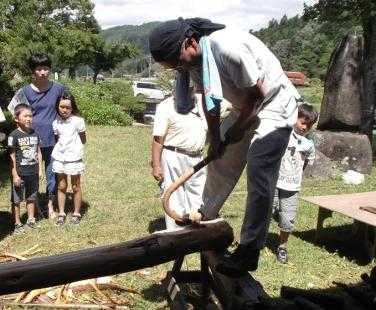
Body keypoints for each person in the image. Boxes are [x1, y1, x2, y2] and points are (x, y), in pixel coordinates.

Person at [149, 17, 301, 276]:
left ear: (190, 43)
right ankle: (204, 217)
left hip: (274, 105)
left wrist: (239, 128)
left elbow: (258, 94)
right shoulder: (194, 61)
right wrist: (216, 138)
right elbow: (210, 100)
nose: (178, 69)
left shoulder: (227, 48)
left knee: (259, 169)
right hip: (245, 107)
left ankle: (249, 251)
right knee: (219, 159)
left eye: (176, 63)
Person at [8, 53, 66, 219]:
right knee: (32, 174)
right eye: (39, 68)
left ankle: (50, 205)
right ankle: (36, 206)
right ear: (33, 71)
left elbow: (67, 108)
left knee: (52, 173)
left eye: (46, 68)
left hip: (53, 139)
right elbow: (14, 110)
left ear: (50, 69)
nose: (43, 72)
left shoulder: (59, 89)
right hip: (30, 142)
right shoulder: (24, 91)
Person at [151, 89, 207, 230]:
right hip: (173, 156)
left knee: (198, 196)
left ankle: (195, 231)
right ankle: (175, 236)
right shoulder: (166, 106)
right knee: (173, 196)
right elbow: (158, 139)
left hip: (198, 158)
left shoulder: (202, 103)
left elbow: (229, 105)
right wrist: (157, 165)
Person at [273, 103, 318, 264]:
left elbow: (307, 164)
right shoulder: (284, 134)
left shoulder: (309, 145)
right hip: (274, 182)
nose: (305, 127)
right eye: (303, 122)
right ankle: (253, 242)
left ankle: (282, 247)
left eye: (310, 125)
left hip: (292, 187)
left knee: (288, 219)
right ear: (295, 119)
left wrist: (294, 176)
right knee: (267, 210)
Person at [51, 91, 86, 226]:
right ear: (57, 107)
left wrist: (74, 149)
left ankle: (77, 212)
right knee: (61, 186)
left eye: (67, 107)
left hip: (74, 157)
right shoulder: (56, 123)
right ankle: (61, 213)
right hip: (60, 157)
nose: (64, 110)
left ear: (72, 108)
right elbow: (57, 139)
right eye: (61, 107)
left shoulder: (78, 121)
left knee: (76, 186)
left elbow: (83, 139)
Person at [8, 104, 43, 234]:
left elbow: (38, 152)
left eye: (30, 116)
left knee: (31, 197)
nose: (29, 118)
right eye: (25, 116)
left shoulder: (35, 133)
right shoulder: (14, 136)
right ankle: (17, 223)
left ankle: (31, 220)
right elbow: (11, 157)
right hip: (20, 173)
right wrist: (15, 175)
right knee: (17, 200)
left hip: (33, 172)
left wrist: (40, 170)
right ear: (16, 118)